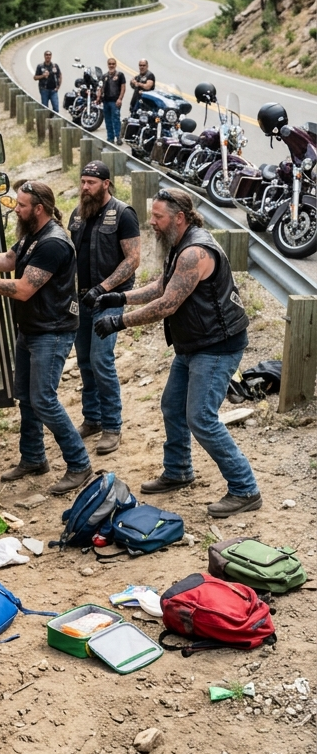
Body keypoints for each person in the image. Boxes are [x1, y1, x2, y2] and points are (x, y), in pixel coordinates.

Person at [92, 187, 261, 518]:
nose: (151, 222)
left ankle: (245, 489)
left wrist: (119, 322)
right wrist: (120, 297)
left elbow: (167, 304)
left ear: (179, 218)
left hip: (217, 345)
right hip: (194, 343)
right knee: (172, 405)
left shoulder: (194, 251)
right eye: (152, 215)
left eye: (158, 216)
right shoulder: (178, 244)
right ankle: (179, 470)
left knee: (201, 417)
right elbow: (162, 286)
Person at [0, 181, 91, 494]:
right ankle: (33, 457)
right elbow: (8, 260)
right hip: (32, 328)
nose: (15, 209)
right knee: (27, 397)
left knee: (43, 399)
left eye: (21, 205)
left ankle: (79, 463)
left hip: (52, 331)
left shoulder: (54, 242)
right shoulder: (33, 234)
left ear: (38, 209)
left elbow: (23, 288)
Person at [66, 161, 140, 465]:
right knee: (84, 360)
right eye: (82, 182)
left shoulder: (124, 214)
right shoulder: (77, 214)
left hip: (108, 301)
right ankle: (92, 418)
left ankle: (112, 425)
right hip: (80, 301)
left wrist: (103, 287)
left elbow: (133, 259)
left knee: (101, 360)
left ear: (106, 184)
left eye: (91, 183)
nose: (85, 188)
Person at [98, 57, 127, 144]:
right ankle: (110, 137)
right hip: (106, 101)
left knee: (116, 119)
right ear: (107, 65)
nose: (111, 65)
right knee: (107, 120)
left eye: (113, 64)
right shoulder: (104, 76)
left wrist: (120, 99)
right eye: (110, 64)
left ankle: (118, 137)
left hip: (115, 101)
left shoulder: (120, 75)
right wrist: (98, 97)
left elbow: (123, 88)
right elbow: (101, 88)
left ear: (115, 65)